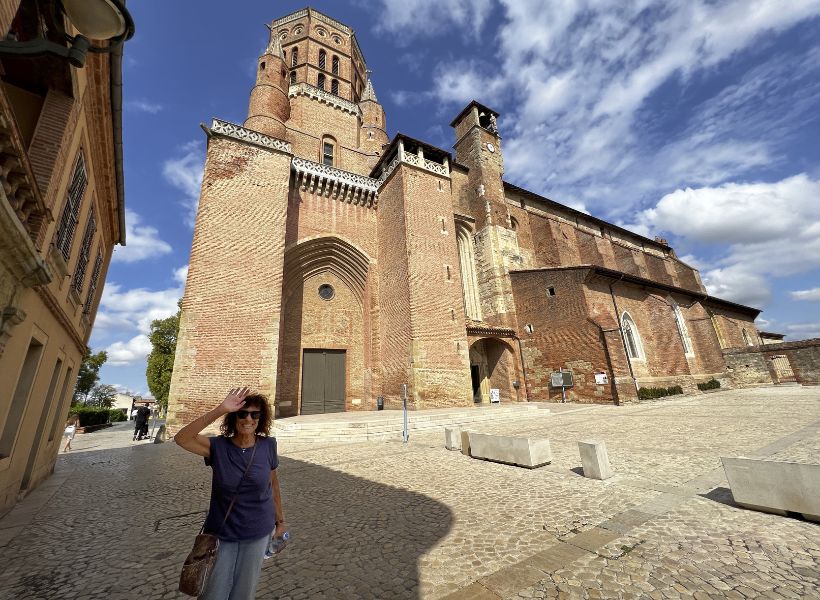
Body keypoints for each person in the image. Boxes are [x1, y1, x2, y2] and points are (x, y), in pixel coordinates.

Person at [175, 388, 285, 600]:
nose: (248, 419)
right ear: (234, 417)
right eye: (242, 414)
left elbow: (273, 484)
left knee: (244, 592)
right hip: (221, 534)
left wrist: (280, 521)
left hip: (258, 532)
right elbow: (182, 438)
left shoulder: (268, 446)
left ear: (261, 419)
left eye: (255, 414)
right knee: (212, 594)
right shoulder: (218, 447)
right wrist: (221, 409)